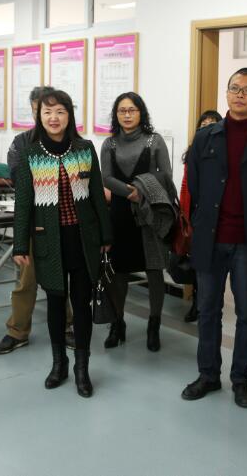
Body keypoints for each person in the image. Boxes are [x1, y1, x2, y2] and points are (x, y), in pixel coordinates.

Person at [182, 67, 247, 408]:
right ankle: (208, 375)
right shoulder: (205, 137)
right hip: (211, 240)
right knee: (208, 310)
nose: (240, 95)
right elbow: (195, 186)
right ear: (227, 93)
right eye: (234, 88)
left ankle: (241, 379)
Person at [12, 89, 112, 397]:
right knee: (55, 303)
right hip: (48, 240)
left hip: (83, 239)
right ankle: (59, 364)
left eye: (60, 112)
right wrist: (20, 244)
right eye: (47, 112)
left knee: (81, 303)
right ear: (39, 116)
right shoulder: (30, 152)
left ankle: (82, 368)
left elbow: (97, 194)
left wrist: (106, 235)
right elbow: (23, 201)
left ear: (69, 115)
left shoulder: (84, 148)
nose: (53, 118)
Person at [0, 86, 74, 354]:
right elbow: (21, 180)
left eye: (56, 111)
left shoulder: (72, 143)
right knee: (27, 281)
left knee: (61, 278)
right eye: (42, 110)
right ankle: (17, 331)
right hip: (33, 222)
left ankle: (67, 326)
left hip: (63, 221)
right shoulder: (21, 142)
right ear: (34, 112)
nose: (50, 117)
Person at [101, 91, 174, 352]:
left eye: (132, 110)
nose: (127, 115)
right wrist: (129, 192)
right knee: (119, 270)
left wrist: (142, 191)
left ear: (141, 112)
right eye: (122, 110)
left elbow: (166, 175)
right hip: (120, 213)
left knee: (154, 269)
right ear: (116, 115)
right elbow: (106, 177)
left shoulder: (154, 140)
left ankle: (154, 325)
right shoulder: (109, 144)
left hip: (150, 213)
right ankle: (117, 323)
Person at [179, 109, 223, 322]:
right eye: (203, 125)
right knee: (197, 262)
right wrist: (184, 215)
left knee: (212, 264)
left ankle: (210, 304)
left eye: (212, 125)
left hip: (215, 219)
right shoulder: (192, 152)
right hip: (194, 215)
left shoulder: (223, 153)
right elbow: (185, 186)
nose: (207, 129)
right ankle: (197, 302)